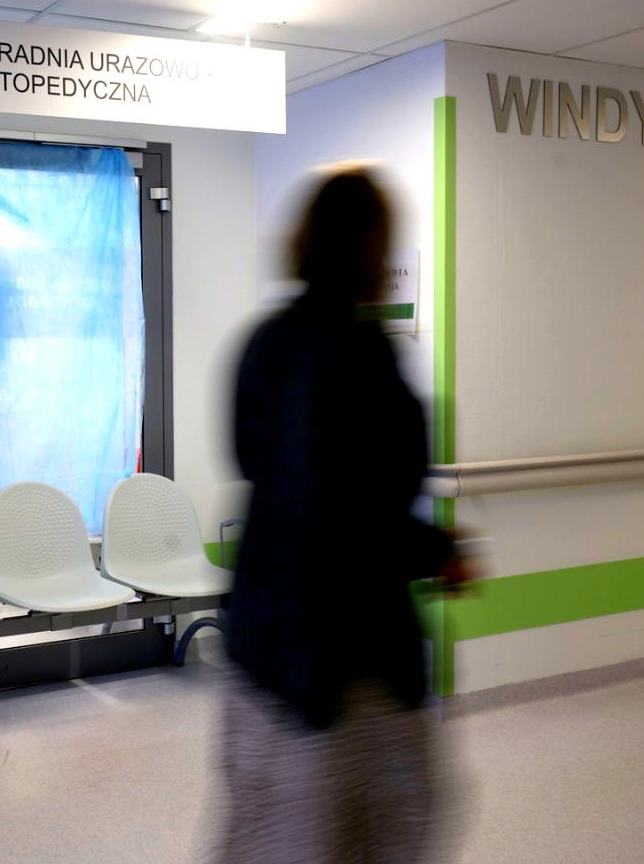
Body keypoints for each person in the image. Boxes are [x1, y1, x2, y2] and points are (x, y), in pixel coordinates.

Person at [219, 170, 469, 863]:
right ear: (370, 247)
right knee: (372, 831)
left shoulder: (263, 342)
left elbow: (260, 467)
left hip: (262, 645)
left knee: (263, 832)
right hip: (343, 662)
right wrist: (434, 549)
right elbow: (346, 509)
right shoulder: (360, 354)